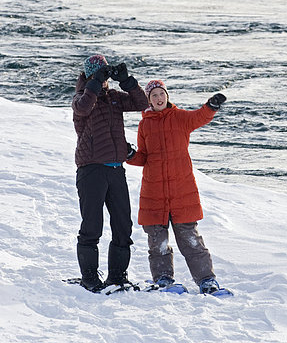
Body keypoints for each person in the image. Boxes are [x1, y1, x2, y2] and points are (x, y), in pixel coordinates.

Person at [126, 79, 227, 294]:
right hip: (154, 191)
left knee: (191, 240)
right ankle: (163, 279)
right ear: (149, 100)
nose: (158, 98)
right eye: (154, 96)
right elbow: (143, 157)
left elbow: (199, 117)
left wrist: (211, 106)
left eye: (161, 94)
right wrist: (131, 155)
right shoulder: (145, 124)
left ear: (167, 96)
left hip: (182, 190)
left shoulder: (180, 118)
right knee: (157, 242)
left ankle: (206, 280)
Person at [72, 54, 148, 292]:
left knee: (123, 226)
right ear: (90, 76)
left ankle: (117, 276)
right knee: (92, 226)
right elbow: (83, 108)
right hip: (91, 170)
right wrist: (93, 84)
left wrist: (127, 81)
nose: (104, 79)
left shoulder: (114, 97)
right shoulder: (81, 98)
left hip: (116, 171)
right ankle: (89, 278)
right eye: (98, 74)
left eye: (105, 74)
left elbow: (141, 104)